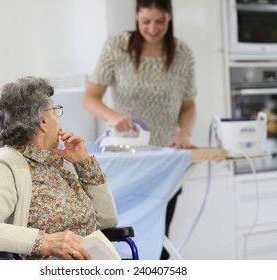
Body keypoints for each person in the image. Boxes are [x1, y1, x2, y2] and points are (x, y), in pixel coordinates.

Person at [83, 0, 197, 259]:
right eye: (146, 21)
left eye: (160, 21)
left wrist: (184, 134)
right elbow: (90, 98)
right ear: (136, 17)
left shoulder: (182, 53)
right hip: (127, 161)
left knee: (159, 240)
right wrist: (113, 116)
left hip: (164, 163)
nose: (153, 28)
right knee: (121, 238)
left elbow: (189, 106)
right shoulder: (117, 47)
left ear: (170, 18)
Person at [0, 76, 118, 260]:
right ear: (43, 122)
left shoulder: (58, 164)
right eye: (55, 111)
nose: (58, 120)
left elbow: (107, 220)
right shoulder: (7, 166)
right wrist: (46, 242)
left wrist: (83, 163)